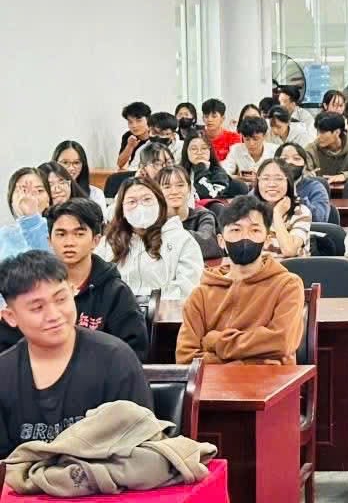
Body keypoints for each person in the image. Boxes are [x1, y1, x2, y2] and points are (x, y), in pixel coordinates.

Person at [0, 250, 153, 457]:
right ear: (11, 317)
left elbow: (141, 448)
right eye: (37, 308)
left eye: (61, 299)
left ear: (73, 292)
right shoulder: (4, 373)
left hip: (109, 476)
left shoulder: (116, 359)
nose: (54, 315)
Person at [0, 199, 148, 358]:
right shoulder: (32, 288)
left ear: (96, 240)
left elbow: (133, 352)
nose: (69, 242)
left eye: (79, 234)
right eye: (61, 234)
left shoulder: (115, 292)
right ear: (49, 241)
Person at [176, 195, 305, 366]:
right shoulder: (201, 293)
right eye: (236, 230)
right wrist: (247, 362)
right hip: (215, 382)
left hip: (273, 380)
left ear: (267, 239)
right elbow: (185, 357)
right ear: (221, 241)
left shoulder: (287, 285)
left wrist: (215, 341)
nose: (245, 237)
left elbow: (282, 341)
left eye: (255, 230)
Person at [98, 178, 202, 301]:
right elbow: (96, 283)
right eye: (132, 202)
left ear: (160, 203)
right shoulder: (108, 243)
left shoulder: (182, 239)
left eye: (147, 199)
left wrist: (153, 304)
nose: (140, 207)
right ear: (122, 210)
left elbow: (188, 287)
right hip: (117, 310)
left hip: (166, 310)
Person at [156, 165, 220, 260]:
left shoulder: (203, 215)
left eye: (180, 185)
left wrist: (168, 235)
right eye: (167, 187)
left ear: (189, 188)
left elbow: (209, 245)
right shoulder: (153, 220)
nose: (174, 191)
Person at [251, 157, 311, 258]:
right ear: (258, 182)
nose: (272, 184)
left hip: (291, 267)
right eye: (265, 178)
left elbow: (289, 250)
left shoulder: (300, 211)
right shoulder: (248, 211)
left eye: (278, 179)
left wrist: (277, 214)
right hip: (258, 267)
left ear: (288, 182)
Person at [275, 142, 331, 224]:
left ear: (305, 166)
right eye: (284, 159)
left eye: (296, 158)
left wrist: (298, 199)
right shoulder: (266, 186)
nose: (290, 162)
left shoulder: (316, 187)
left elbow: (320, 219)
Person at [51, 140, 107, 213]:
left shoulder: (95, 194)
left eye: (76, 163)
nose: (71, 168)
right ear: (54, 163)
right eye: (65, 162)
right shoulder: (45, 192)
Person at [179, 132, 233, 201]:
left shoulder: (219, 173)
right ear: (186, 152)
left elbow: (210, 196)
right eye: (194, 149)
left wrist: (201, 169)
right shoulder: (178, 172)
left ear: (210, 151)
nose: (199, 152)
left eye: (204, 148)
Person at [223, 115, 276, 182]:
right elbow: (223, 173)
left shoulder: (275, 150)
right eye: (247, 139)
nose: (251, 143)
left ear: (265, 136)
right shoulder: (236, 149)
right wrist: (239, 178)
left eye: (255, 139)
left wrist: (260, 178)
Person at [115, 101, 152, 170]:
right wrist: (130, 146)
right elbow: (120, 164)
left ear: (148, 120)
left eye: (139, 121)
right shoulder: (128, 136)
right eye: (130, 122)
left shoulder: (156, 135)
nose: (134, 125)